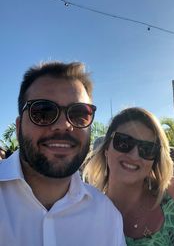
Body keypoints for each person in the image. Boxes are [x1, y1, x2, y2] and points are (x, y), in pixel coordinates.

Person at [0, 61, 126, 246]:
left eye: (79, 114)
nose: (63, 125)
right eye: (43, 112)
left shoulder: (106, 215)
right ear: (19, 127)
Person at [84, 107, 174, 245]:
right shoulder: (90, 217)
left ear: (155, 159)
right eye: (124, 142)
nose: (134, 156)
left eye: (147, 149)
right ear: (106, 149)